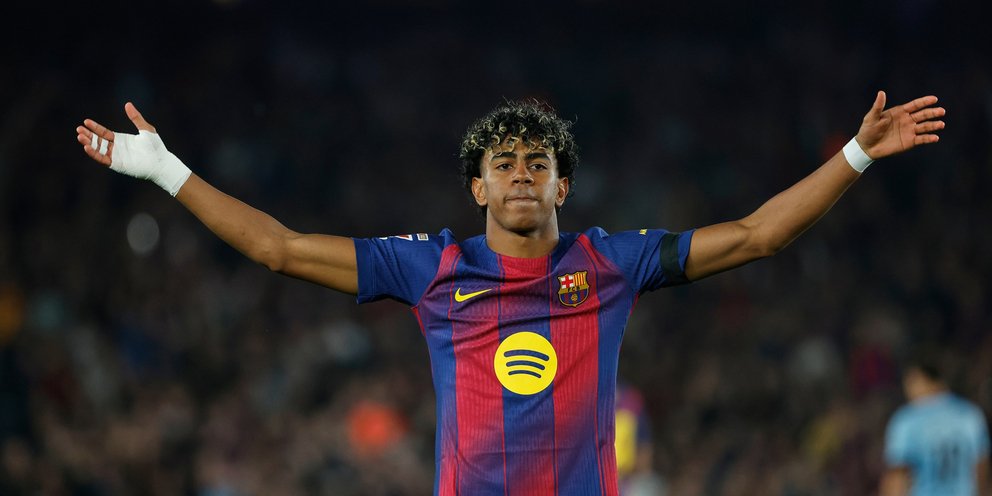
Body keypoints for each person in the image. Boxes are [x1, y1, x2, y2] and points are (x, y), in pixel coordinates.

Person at [76, 92, 944, 495]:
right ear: (478, 188)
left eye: (539, 163)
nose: (522, 174)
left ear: (564, 185)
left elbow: (758, 236)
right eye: (504, 164)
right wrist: (164, 170)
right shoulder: (431, 268)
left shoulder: (610, 263)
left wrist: (856, 154)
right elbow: (277, 248)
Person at [881, 352, 990, 496]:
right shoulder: (969, 414)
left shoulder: (907, 420)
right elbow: (981, 466)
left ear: (920, 378)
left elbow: (898, 476)